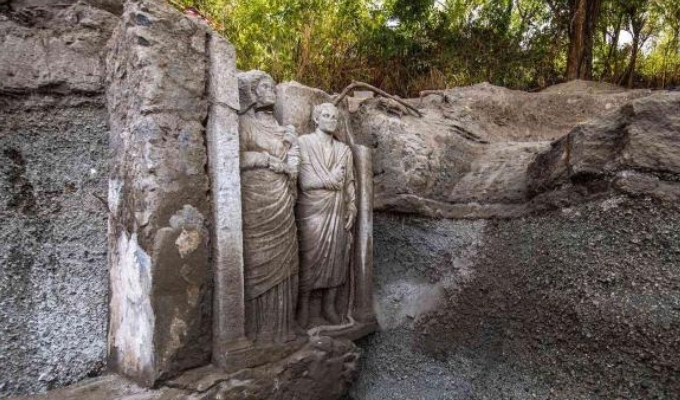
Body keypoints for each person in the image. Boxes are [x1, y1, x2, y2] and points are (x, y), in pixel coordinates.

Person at [238, 70, 299, 343]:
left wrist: (292, 147)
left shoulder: (283, 129)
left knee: (286, 258)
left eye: (273, 86)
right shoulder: (244, 124)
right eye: (264, 86)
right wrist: (267, 159)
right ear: (252, 93)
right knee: (259, 258)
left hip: (282, 198)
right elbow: (237, 157)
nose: (271, 90)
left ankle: (282, 328)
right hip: (257, 198)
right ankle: (257, 330)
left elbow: (294, 165)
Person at [296, 103, 357, 327]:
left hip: (337, 209)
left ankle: (329, 305)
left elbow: (348, 182)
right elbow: (305, 181)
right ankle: (303, 305)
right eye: (326, 115)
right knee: (309, 256)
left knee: (337, 255)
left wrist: (352, 207)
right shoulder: (304, 142)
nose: (331, 120)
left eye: (335, 117)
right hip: (312, 209)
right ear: (316, 118)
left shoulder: (344, 150)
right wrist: (331, 180)